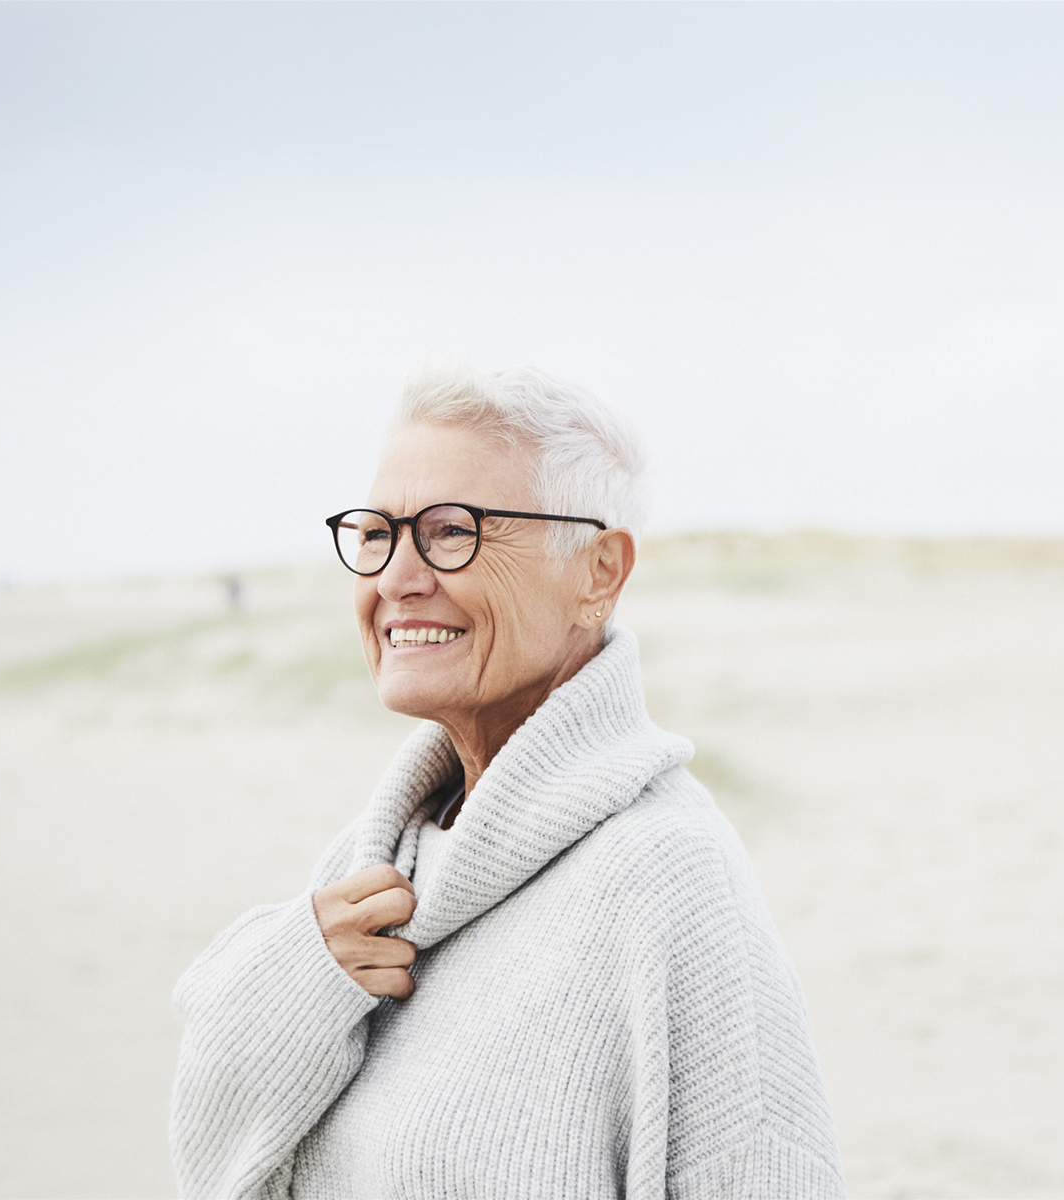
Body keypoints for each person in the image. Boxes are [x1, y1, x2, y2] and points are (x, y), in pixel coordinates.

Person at [169, 363, 845, 1199]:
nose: (395, 578)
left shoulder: (663, 873)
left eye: (452, 531)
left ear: (598, 572)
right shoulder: (374, 861)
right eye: (377, 533)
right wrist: (293, 983)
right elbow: (209, 1160)